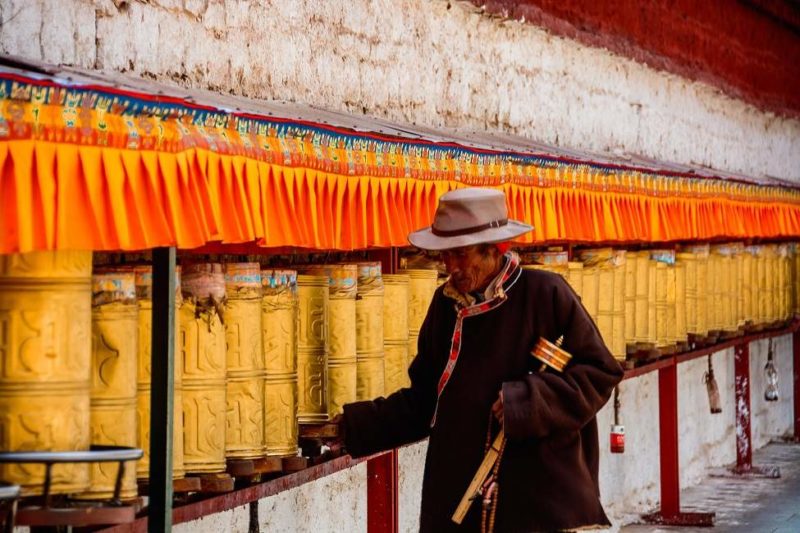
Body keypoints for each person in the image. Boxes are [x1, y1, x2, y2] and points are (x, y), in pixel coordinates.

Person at [339, 187, 624, 532]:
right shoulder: (444, 307)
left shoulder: (546, 294)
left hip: (539, 500)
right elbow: (425, 402)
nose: (451, 267)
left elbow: (600, 372)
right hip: (460, 500)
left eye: (461, 254)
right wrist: (350, 428)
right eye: (445, 255)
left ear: (495, 249)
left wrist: (526, 401)